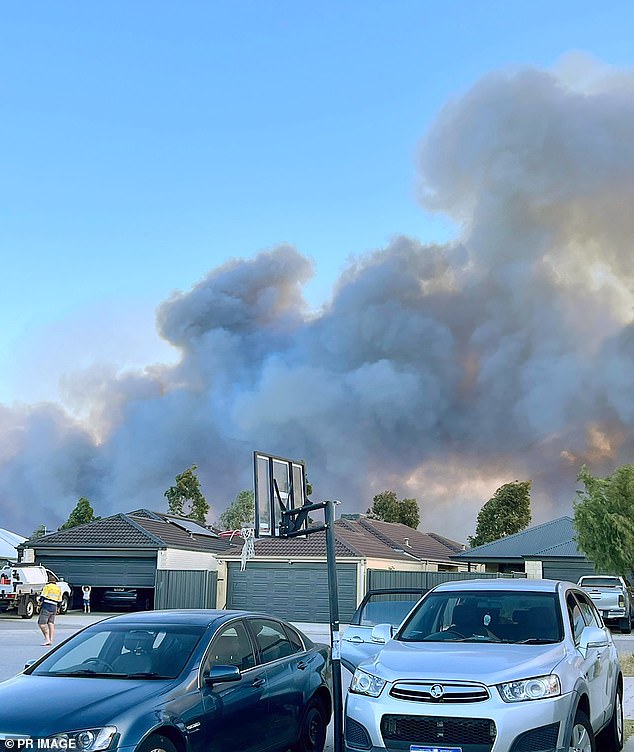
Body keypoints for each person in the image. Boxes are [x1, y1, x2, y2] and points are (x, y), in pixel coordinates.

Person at [38, 580, 62, 646]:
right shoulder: (58, 588)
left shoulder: (47, 586)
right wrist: (58, 608)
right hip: (54, 607)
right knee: (51, 623)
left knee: (42, 623)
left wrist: (39, 604)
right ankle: (51, 639)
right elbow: (60, 600)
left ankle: (47, 639)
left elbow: (43, 596)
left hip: (47, 606)